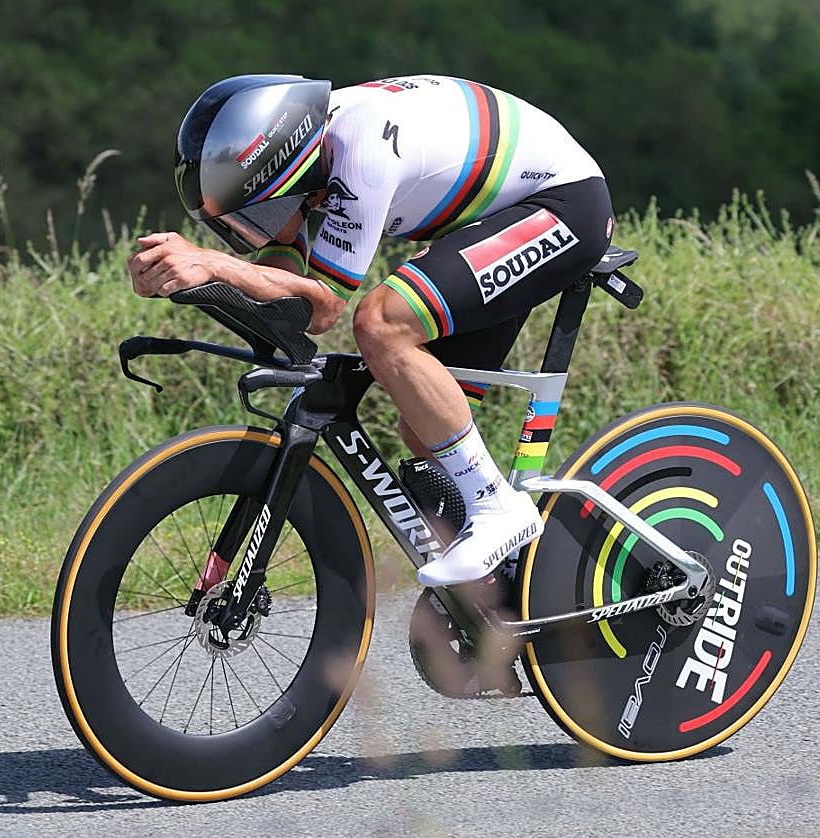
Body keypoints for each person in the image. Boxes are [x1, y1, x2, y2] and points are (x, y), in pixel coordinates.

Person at [128, 74, 613, 587]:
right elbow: (284, 289)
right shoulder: (309, 149)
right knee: (425, 429)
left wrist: (214, 264)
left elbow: (323, 309)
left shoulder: (360, 151)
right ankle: (500, 594)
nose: (259, 226)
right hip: (493, 218)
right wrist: (186, 279)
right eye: (246, 220)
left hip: (562, 206)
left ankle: (498, 508)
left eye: (259, 208)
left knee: (381, 323)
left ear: (283, 170)